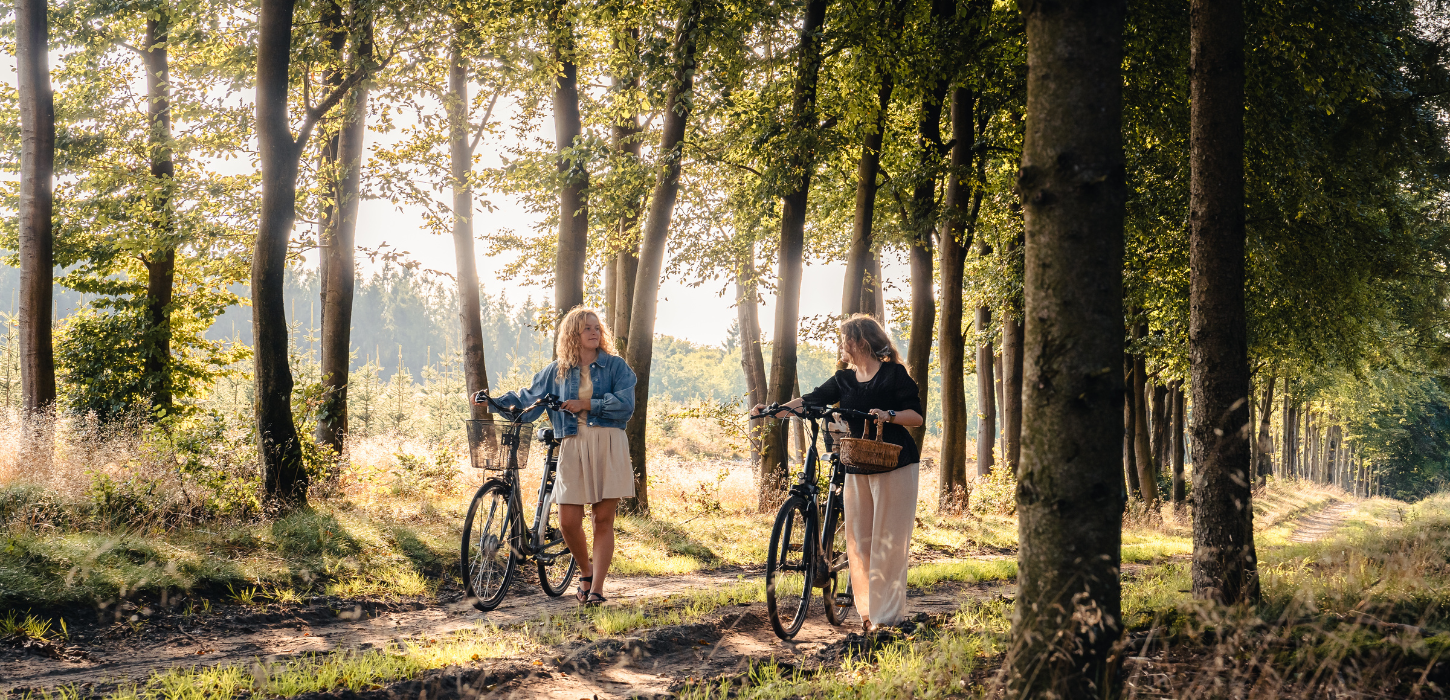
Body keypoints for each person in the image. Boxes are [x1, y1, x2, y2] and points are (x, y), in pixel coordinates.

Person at [751, 314, 923, 631]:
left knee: (888, 543)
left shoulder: (894, 374)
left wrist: (889, 415)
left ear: (859, 342)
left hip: (896, 465)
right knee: (859, 542)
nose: (841, 345)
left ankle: (888, 617)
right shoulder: (843, 379)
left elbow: (916, 417)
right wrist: (773, 410)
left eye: (844, 339)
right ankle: (869, 615)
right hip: (857, 464)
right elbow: (810, 400)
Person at [477, 307, 636, 607]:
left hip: (609, 443)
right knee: (567, 521)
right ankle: (586, 572)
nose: (593, 332)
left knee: (602, 519)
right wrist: (494, 401)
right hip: (573, 445)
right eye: (586, 328)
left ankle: (597, 588)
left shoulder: (616, 367)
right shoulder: (557, 370)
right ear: (573, 334)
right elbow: (527, 399)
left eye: (597, 327)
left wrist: (585, 404)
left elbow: (626, 405)